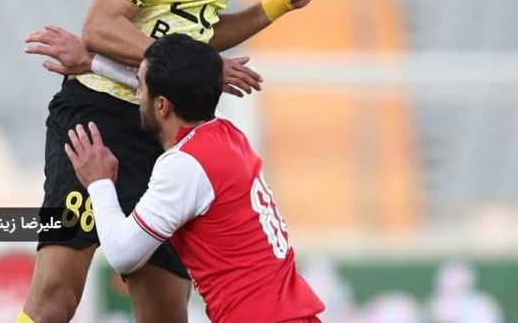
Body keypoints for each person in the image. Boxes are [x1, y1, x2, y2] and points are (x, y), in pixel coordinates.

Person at [20, 0, 339, 323]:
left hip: (166, 130)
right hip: (99, 118)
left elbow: (200, 33)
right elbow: (101, 26)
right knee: (56, 296)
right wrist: (196, 69)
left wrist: (284, 1)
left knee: (167, 311)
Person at [64, 34, 325, 322]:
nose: (137, 94)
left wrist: (99, 183)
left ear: (162, 105)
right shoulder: (226, 130)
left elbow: (122, 254)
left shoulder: (185, 165)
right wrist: (91, 63)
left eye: (141, 87)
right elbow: (164, 89)